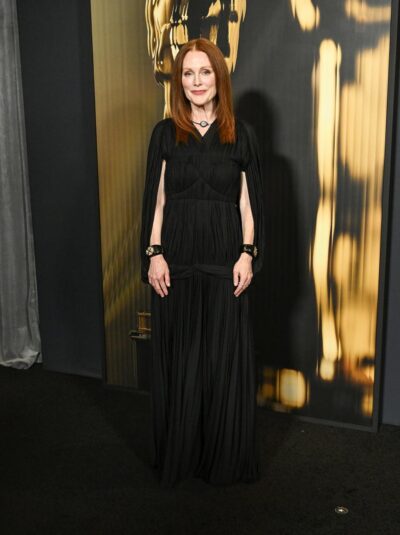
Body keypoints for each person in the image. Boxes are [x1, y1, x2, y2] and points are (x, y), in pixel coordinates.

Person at [140, 37, 264, 488]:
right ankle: (182, 457)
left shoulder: (241, 134)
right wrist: (154, 255)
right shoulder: (164, 133)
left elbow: (248, 204)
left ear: (219, 78)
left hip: (225, 263)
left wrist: (247, 254)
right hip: (176, 264)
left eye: (204, 72)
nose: (196, 81)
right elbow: (157, 201)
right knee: (182, 361)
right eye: (188, 73)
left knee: (222, 364)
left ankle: (223, 462)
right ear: (179, 81)